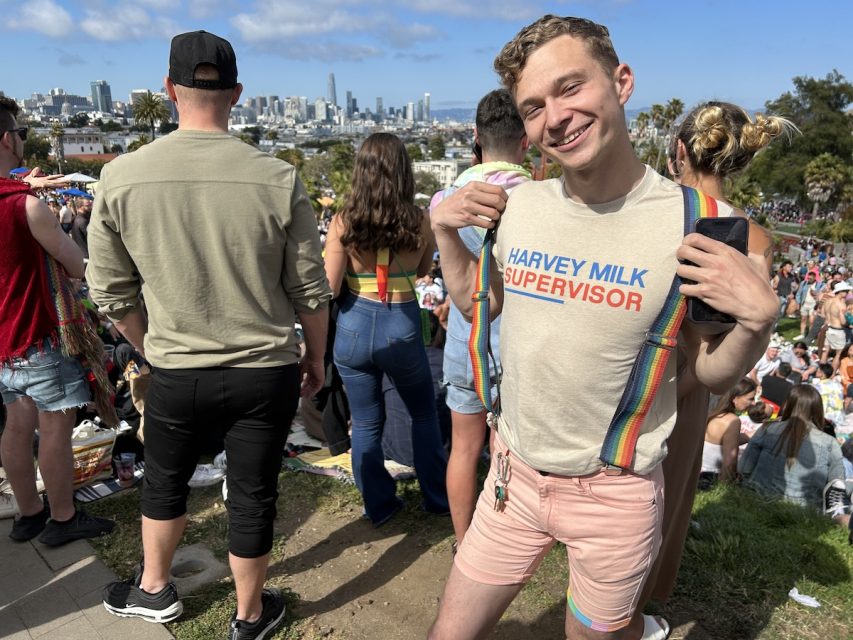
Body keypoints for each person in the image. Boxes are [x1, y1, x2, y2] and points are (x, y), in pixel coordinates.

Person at [427, 15, 778, 640]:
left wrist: (756, 326)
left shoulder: (701, 220)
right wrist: (444, 231)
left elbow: (705, 369)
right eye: (533, 107)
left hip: (615, 496)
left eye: (570, 88)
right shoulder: (521, 205)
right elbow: (482, 302)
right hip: (510, 479)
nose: (554, 117)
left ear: (622, 81)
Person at [88, 31, 331, 640]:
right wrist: (317, 359)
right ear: (238, 95)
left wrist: (149, 344)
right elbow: (309, 290)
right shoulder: (278, 177)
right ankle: (248, 618)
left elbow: (110, 292)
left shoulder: (121, 178)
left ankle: (153, 590)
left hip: (174, 367)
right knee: (252, 493)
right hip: (264, 368)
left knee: (164, 480)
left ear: (170, 90)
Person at [640, 100, 791, 613]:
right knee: (670, 495)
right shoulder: (756, 238)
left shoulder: (650, 212)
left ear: (680, 150)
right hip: (695, 381)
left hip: (634, 369)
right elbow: (744, 339)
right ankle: (646, 598)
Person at [0, 95, 116, 546]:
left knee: (15, 425)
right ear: (8, 138)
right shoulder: (25, 206)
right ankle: (64, 519)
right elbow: (73, 264)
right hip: (40, 337)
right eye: (22, 133)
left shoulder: (19, 199)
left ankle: (29, 514)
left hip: (4, 346)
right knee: (55, 428)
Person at [323, 132, 449, 527]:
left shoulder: (344, 221)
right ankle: (436, 497)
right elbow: (426, 269)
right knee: (423, 414)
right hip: (401, 322)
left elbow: (328, 286)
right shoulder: (419, 218)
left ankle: (379, 505)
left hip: (354, 325)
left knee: (365, 421)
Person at [430, 89, 531, 546]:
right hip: (514, 349)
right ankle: (499, 540)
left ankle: (463, 540)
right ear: (525, 141)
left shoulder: (445, 201)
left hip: (463, 346)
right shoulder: (538, 202)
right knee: (504, 454)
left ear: (475, 135)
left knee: (463, 450)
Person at [740, 385, 849, 526]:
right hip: (806, 513)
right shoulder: (830, 443)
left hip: (757, 500)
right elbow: (836, 486)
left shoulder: (767, 428)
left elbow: (743, 468)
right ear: (817, 409)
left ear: (788, 404)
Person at [700, 378, 755, 485]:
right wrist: (726, 486)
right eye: (750, 399)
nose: (753, 403)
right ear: (735, 398)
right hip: (710, 479)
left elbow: (723, 441)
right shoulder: (732, 421)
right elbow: (730, 462)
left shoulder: (715, 413)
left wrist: (759, 431)